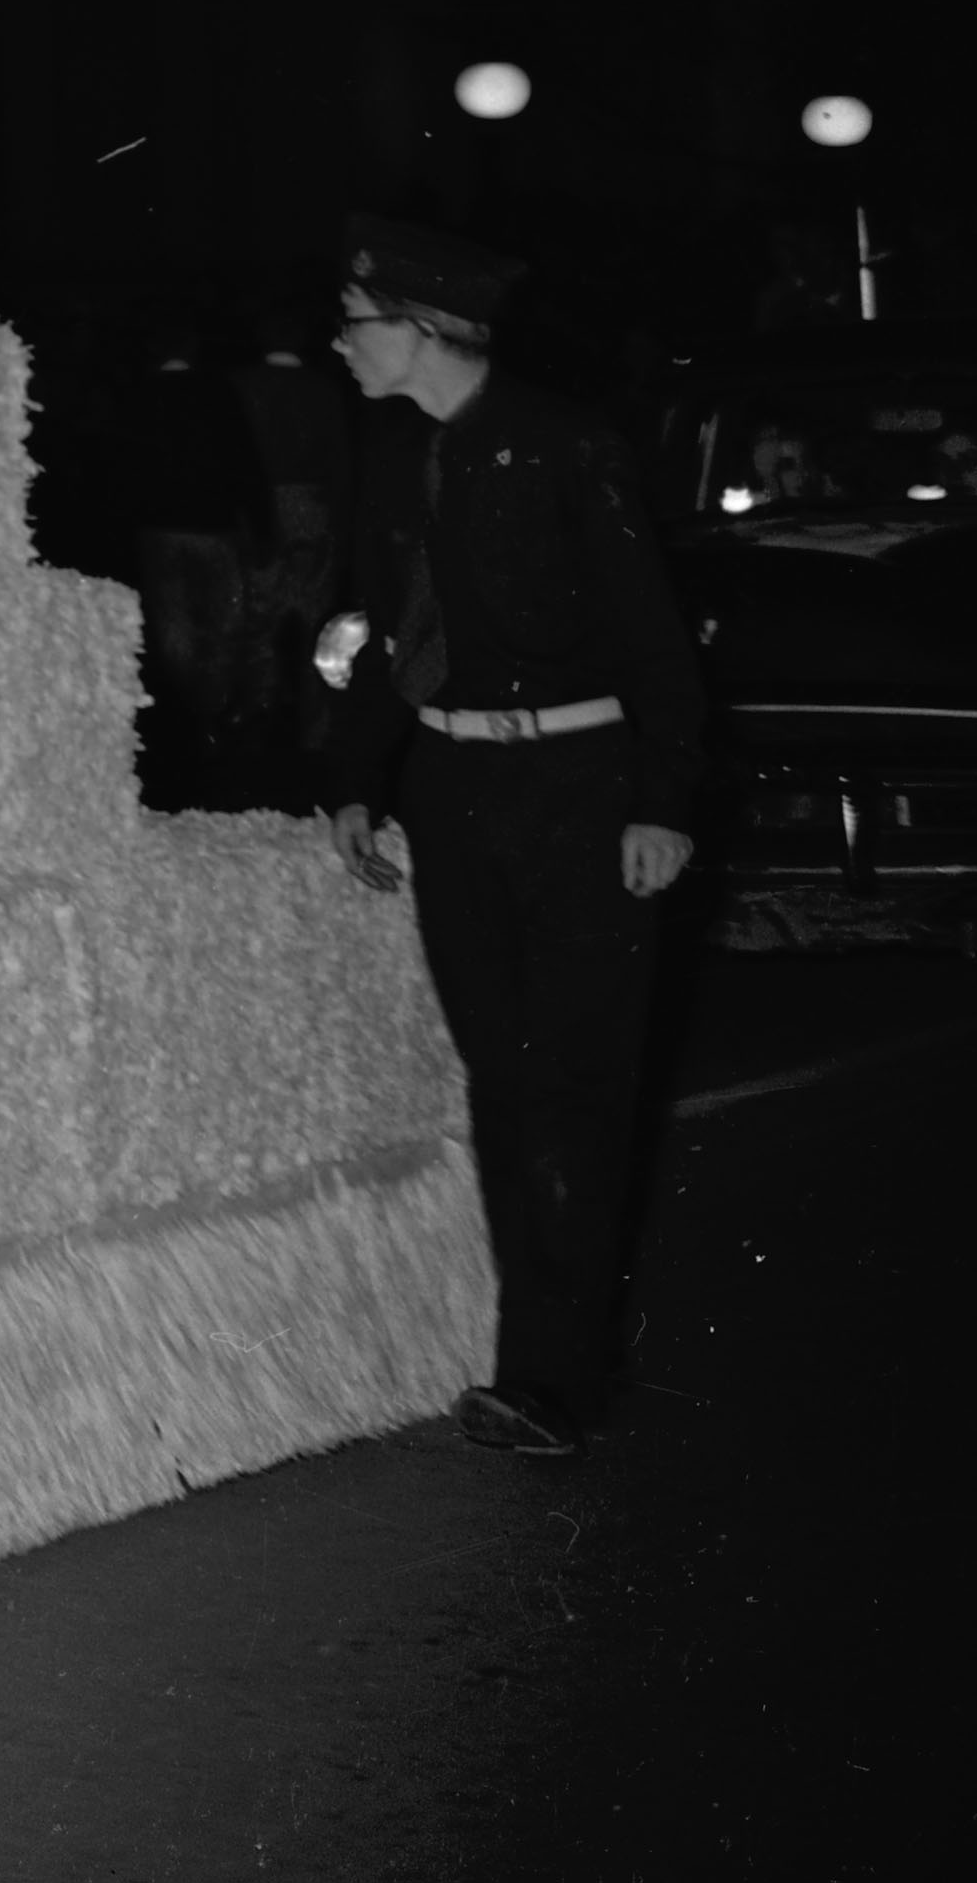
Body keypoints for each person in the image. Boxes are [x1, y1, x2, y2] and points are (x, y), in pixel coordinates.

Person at [314, 218, 705, 1458]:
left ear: (427, 330)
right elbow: (394, 635)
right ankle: (542, 1356)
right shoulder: (395, 456)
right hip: (454, 785)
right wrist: (356, 782)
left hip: (583, 787)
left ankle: (551, 1378)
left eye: (357, 323)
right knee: (509, 1082)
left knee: (577, 1088)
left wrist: (665, 803)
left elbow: (657, 639)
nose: (339, 344)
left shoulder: (565, 444)